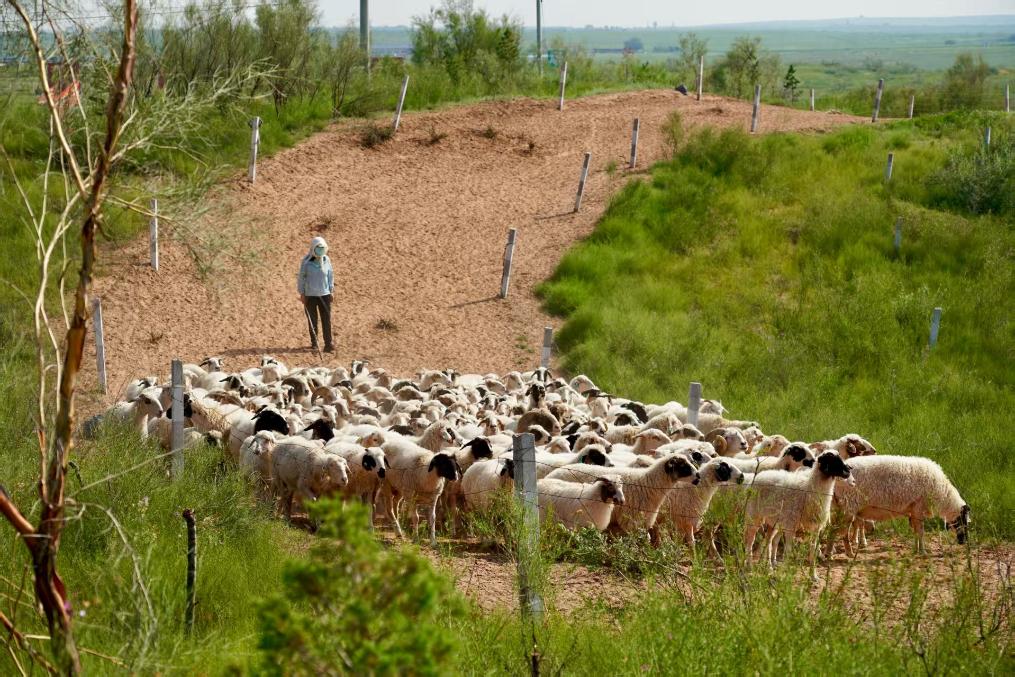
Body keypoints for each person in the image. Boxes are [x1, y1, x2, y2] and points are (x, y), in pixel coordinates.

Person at [297, 236, 334, 352]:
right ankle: (314, 343)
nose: (320, 250)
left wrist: (331, 290)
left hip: (324, 294)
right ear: (313, 248)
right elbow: (301, 278)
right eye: (318, 248)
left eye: (322, 248)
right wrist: (302, 293)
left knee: (326, 320)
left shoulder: (326, 260)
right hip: (310, 296)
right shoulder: (306, 262)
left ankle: (328, 344)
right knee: (312, 320)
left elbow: (330, 275)